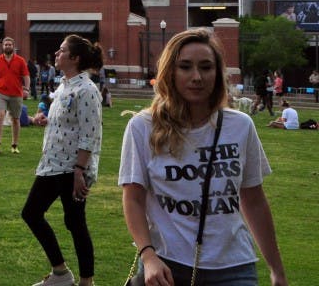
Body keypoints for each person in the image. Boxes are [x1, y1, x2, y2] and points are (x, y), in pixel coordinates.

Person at [119, 29, 287, 286]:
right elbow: (133, 199)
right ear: (169, 72)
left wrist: (277, 270)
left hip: (234, 266)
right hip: (168, 265)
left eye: (206, 67)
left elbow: (253, 200)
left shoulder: (240, 126)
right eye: (185, 67)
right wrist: (148, 256)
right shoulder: (143, 127)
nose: (197, 77)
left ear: (218, 73)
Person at [22, 35, 103, 286]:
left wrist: (80, 169)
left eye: (62, 50)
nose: (56, 54)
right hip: (52, 164)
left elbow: (90, 134)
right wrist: (44, 119)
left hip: (71, 168)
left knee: (75, 223)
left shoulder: (87, 90)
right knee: (32, 214)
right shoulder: (64, 86)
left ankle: (85, 281)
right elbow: (66, 122)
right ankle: (60, 273)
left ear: (75, 58)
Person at [0, 36, 30, 154]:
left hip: (16, 93)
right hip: (0, 92)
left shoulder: (20, 60)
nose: (7, 46)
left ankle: (14, 145)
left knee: (15, 119)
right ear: (3, 46)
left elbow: (26, 76)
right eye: (5, 45)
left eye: (9, 45)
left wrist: (26, 89)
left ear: (13, 46)